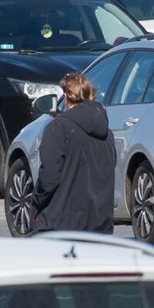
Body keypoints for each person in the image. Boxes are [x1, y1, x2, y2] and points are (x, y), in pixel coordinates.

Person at [31, 72, 115, 234]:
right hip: (100, 225)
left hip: (61, 224)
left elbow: (49, 178)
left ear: (66, 97)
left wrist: (36, 203)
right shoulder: (107, 133)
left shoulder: (58, 128)